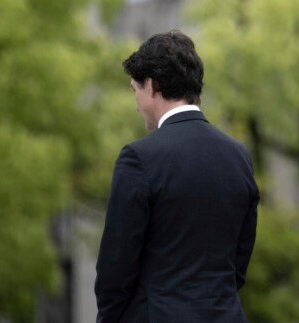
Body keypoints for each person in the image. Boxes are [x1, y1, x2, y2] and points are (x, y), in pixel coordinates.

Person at [95, 30, 259, 323]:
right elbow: (239, 261)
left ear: (152, 85)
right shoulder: (239, 156)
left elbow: (116, 268)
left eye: (134, 90)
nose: (135, 103)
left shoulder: (139, 158)